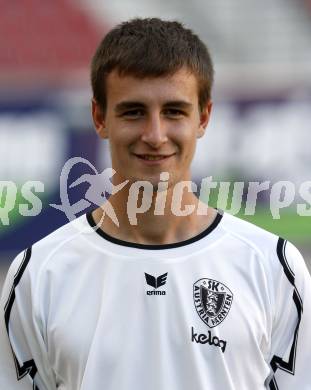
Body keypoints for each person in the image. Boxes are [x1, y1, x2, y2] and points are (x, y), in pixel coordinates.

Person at [0, 18, 310, 390]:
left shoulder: (272, 267)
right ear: (100, 118)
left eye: (174, 112)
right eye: (133, 112)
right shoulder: (39, 273)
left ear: (204, 117)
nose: (155, 135)